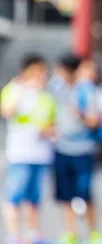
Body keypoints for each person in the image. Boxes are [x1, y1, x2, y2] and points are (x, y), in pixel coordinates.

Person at [49, 54, 102, 244]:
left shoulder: (86, 91)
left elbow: (94, 120)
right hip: (61, 148)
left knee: (86, 192)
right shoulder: (55, 88)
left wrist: (80, 114)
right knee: (65, 193)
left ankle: (93, 232)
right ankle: (70, 232)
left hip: (84, 149)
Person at [1, 54, 56, 244]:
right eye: (39, 70)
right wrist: (22, 89)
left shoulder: (46, 95)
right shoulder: (13, 89)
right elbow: (6, 111)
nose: (43, 75)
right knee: (14, 195)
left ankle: (33, 233)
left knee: (34, 197)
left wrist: (48, 131)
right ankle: (14, 235)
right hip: (20, 153)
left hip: (40, 154)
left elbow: (52, 124)